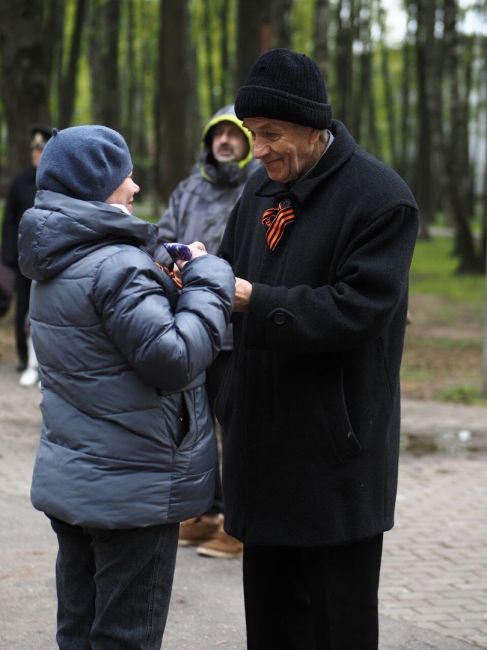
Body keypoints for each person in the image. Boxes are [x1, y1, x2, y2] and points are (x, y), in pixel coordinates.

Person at [216, 49, 419, 650]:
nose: (260, 149)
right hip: (263, 446)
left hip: (336, 456)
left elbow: (359, 310)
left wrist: (256, 299)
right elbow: (229, 271)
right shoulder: (259, 190)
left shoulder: (380, 198)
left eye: (272, 134)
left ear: (313, 127)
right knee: (273, 624)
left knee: (337, 626)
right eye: (253, 134)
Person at [17, 125, 235, 649]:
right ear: (98, 184)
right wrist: (208, 278)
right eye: (125, 176)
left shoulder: (53, 261)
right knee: (124, 638)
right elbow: (175, 359)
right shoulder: (116, 265)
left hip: (76, 483)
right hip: (131, 492)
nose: (135, 188)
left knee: (78, 631)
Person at [155, 105, 259, 559]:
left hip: (239, 327)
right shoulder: (188, 189)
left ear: (247, 142)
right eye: (218, 134)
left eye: (234, 134)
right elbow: (163, 238)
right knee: (197, 426)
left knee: (236, 428)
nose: (225, 141)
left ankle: (240, 522)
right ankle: (209, 513)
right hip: (194, 329)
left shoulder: (260, 188)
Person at [1, 126, 50, 383]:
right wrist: (8, 255)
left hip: (51, 258)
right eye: (34, 149)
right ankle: (24, 359)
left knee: (47, 310)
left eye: (41, 149)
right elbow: (9, 221)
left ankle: (44, 362)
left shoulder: (57, 182)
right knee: (23, 310)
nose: (36, 153)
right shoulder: (21, 181)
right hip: (23, 257)